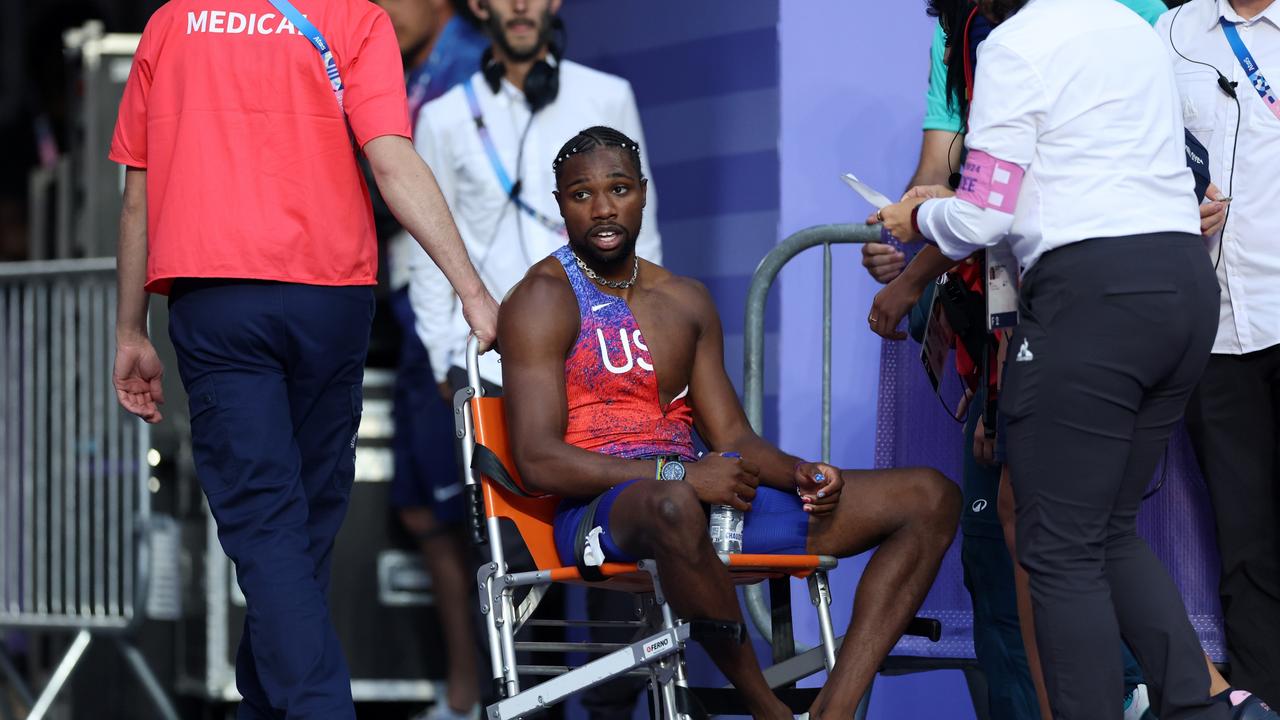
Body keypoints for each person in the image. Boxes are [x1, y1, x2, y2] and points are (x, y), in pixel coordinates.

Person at [108, 2, 498, 717]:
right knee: (302, 529)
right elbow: (391, 159)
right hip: (329, 299)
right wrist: (472, 288)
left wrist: (131, 329)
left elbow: (139, 194)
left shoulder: (172, 23)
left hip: (218, 297)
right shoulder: (357, 19)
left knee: (271, 531)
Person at [498, 126, 961, 720]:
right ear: (560, 203)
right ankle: (765, 708)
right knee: (671, 505)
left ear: (643, 192)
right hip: (605, 515)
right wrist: (681, 476)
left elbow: (734, 440)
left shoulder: (684, 299)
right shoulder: (541, 297)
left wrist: (801, 472)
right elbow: (538, 458)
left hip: (703, 508)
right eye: (581, 195)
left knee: (930, 496)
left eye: (618, 189)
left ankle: (834, 710)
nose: (604, 209)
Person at [874, 0, 1244, 715]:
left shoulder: (1016, 46)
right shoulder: (1127, 29)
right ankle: (1203, 707)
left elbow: (983, 218)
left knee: (1057, 548)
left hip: (1093, 300)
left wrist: (916, 214)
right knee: (1104, 533)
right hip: (1184, 289)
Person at [407, 2, 661, 715]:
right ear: (480, 7)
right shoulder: (446, 114)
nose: (520, 5)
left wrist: (639, 350)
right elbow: (430, 256)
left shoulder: (603, 96)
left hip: (600, 373)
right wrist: (445, 364)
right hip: (493, 375)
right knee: (516, 570)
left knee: (615, 552)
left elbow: (649, 232)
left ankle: (612, 709)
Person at [1158, 0, 1280, 707]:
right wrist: (1170, 202)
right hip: (1221, 327)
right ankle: (1264, 701)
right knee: (1245, 545)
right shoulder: (1170, 34)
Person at [369, 2, 487, 718]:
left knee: (479, 516)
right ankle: (465, 693)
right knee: (423, 510)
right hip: (413, 306)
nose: (376, 11)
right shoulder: (407, 68)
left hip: (456, 307)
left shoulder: (468, 65)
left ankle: (497, 693)